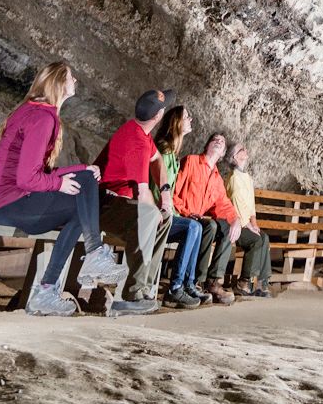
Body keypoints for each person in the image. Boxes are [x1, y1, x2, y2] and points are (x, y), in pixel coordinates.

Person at [0, 61, 128, 317]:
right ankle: (93, 253)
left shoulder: (34, 111)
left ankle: (48, 289)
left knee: (81, 200)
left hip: (7, 203)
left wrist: (79, 170)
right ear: (60, 83)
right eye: (72, 77)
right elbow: (27, 179)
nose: (76, 82)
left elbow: (36, 172)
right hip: (8, 205)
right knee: (84, 189)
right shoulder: (42, 118)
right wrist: (62, 182)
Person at [96, 89, 176, 311]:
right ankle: (131, 294)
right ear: (158, 116)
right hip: (103, 204)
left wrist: (166, 195)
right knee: (150, 215)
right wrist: (155, 210)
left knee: (165, 218)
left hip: (120, 205)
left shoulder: (142, 134)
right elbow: (142, 194)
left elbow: (158, 159)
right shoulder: (135, 141)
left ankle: (144, 288)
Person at [173, 131, 241, 304]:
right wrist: (186, 212)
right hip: (182, 216)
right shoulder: (191, 161)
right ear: (208, 145)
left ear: (223, 153)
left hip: (198, 220)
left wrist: (235, 220)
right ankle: (195, 281)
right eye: (214, 139)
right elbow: (174, 191)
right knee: (210, 226)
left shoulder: (217, 178)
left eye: (222, 142)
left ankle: (212, 282)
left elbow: (223, 204)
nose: (218, 141)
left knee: (225, 228)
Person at [152, 105, 209, 309]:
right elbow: (159, 190)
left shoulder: (172, 155)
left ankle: (187, 283)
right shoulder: (164, 152)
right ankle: (175, 288)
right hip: (154, 215)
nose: (191, 119)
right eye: (187, 117)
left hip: (166, 214)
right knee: (192, 227)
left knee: (197, 226)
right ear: (177, 122)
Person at [224, 143, 273, 298]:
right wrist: (246, 224)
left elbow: (251, 204)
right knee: (257, 241)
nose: (245, 150)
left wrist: (254, 223)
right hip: (235, 224)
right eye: (240, 150)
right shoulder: (233, 177)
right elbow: (236, 202)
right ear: (234, 157)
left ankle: (261, 283)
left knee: (264, 237)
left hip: (247, 224)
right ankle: (244, 282)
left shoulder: (247, 178)